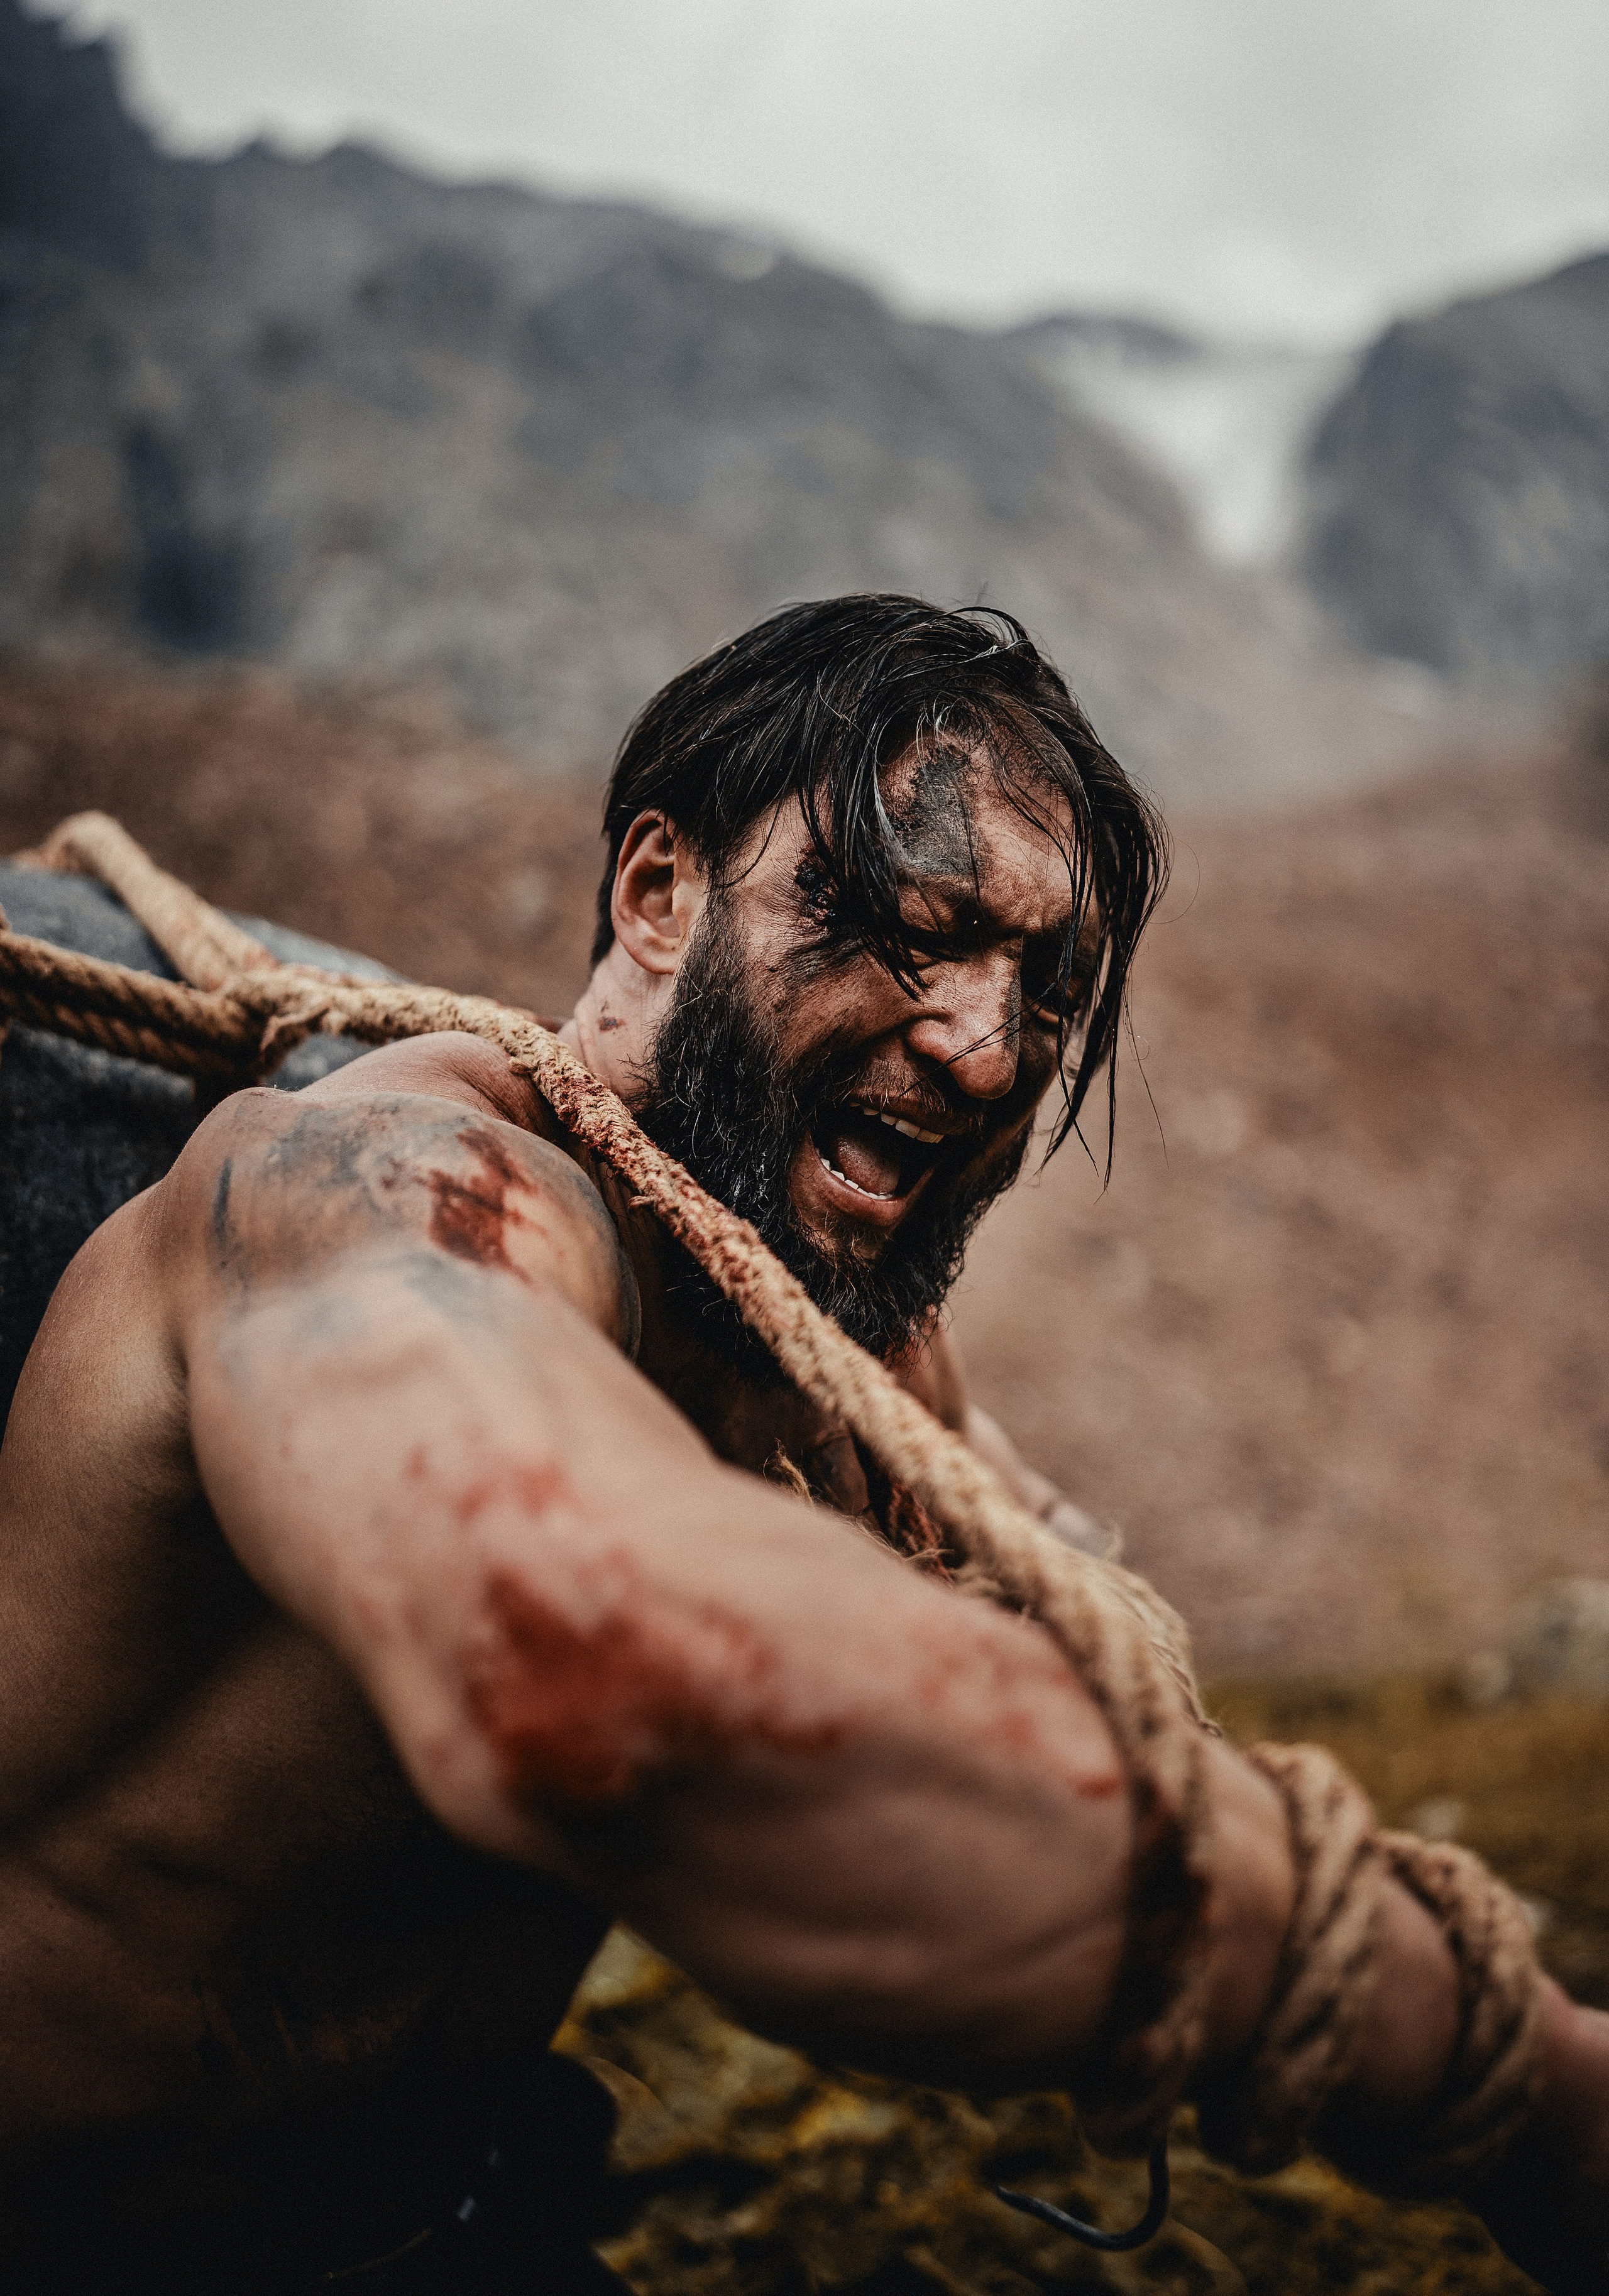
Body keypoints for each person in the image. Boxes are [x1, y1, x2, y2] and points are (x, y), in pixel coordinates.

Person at [1, 596, 1605, 2294]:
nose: (987, 1049)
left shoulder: (794, 1326)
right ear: (658, 894)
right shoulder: (375, 1197)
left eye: (1045, 986)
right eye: (913, 932)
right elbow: (590, 1652)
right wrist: (1525, 2088)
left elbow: (1027, 1549)